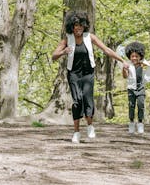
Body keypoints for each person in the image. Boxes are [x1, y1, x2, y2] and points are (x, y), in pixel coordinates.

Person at [52, 11, 129, 144]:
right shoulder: (67, 39)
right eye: (76, 25)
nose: (79, 28)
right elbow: (54, 56)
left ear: (85, 26)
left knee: (88, 99)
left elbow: (106, 50)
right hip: (74, 74)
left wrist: (122, 60)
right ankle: (76, 133)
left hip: (88, 73)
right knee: (77, 101)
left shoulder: (90, 37)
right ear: (72, 26)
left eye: (82, 25)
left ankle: (89, 126)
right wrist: (63, 52)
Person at [122, 42, 150, 134]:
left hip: (140, 88)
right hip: (131, 89)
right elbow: (125, 76)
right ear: (129, 57)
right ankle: (131, 124)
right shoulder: (128, 65)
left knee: (141, 105)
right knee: (131, 106)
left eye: (136, 56)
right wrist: (124, 69)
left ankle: (140, 124)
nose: (134, 58)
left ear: (140, 56)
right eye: (132, 56)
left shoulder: (142, 64)